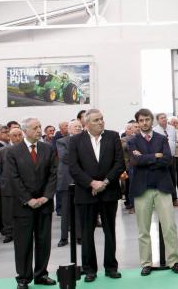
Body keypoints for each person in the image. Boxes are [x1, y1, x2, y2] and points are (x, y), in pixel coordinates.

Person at [65, 109, 125, 282]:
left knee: (110, 231)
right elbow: (74, 167)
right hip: (86, 192)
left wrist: (104, 183)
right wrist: (91, 183)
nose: (101, 122)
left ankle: (111, 267)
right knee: (86, 232)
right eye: (97, 120)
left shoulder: (113, 137)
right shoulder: (76, 140)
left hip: (109, 191)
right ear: (87, 124)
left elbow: (119, 163)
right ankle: (89, 269)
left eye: (102, 119)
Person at [3, 118, 58, 288]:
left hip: (44, 204)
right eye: (35, 128)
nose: (39, 130)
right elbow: (13, 178)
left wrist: (46, 197)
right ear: (25, 131)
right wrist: (28, 199)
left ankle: (41, 274)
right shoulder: (13, 152)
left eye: (40, 127)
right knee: (23, 243)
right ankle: (23, 278)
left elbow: (53, 174)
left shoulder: (48, 149)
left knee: (43, 241)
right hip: (23, 206)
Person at [128, 109, 178, 275]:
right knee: (143, 229)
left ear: (152, 121)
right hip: (141, 189)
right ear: (137, 122)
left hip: (162, 187)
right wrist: (155, 156)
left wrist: (146, 157)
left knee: (169, 227)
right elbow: (134, 161)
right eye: (141, 120)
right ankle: (146, 263)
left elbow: (167, 160)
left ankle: (174, 261)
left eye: (147, 120)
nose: (144, 123)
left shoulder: (161, 138)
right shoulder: (133, 141)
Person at [55, 120, 83, 246]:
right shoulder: (62, 141)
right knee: (66, 210)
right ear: (69, 129)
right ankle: (64, 238)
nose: (78, 128)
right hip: (67, 179)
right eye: (75, 127)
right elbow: (65, 157)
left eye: (80, 126)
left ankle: (79, 236)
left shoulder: (85, 140)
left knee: (79, 209)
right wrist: (82, 158)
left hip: (81, 179)